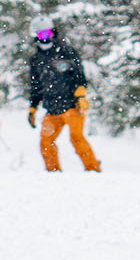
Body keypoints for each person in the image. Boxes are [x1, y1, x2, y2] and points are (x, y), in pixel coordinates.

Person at [26, 25, 101, 173]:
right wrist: (33, 107)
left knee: (77, 139)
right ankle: (53, 172)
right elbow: (36, 86)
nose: (45, 37)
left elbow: (79, 75)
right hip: (52, 109)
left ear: (52, 33)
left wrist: (81, 94)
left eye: (47, 33)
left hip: (72, 106)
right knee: (46, 141)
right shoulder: (36, 59)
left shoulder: (66, 51)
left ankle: (93, 170)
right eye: (41, 34)